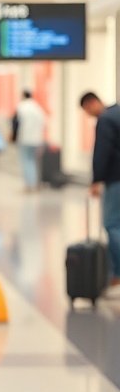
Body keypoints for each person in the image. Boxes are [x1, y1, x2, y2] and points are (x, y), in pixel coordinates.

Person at [79, 91, 120, 291]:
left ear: (92, 103)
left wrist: (97, 179)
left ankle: (117, 274)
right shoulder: (118, 113)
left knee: (112, 224)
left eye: (87, 110)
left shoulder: (105, 119)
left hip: (115, 179)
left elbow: (103, 151)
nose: (89, 114)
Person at [12, 89, 46, 191]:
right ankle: (34, 183)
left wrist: (13, 136)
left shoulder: (21, 107)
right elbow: (44, 123)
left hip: (24, 138)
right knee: (33, 162)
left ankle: (28, 185)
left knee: (26, 161)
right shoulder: (37, 108)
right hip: (36, 139)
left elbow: (16, 123)